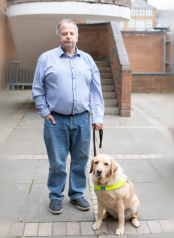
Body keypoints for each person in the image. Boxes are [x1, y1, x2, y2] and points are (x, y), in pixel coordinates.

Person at [32, 19, 104, 214]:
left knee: (80, 160)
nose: (68, 37)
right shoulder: (46, 59)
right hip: (56, 120)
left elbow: (96, 91)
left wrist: (98, 117)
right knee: (57, 162)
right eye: (64, 33)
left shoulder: (88, 60)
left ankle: (77, 194)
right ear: (58, 36)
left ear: (77, 36)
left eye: (71, 33)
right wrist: (45, 112)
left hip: (82, 119)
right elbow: (37, 89)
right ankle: (55, 196)